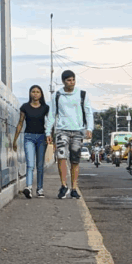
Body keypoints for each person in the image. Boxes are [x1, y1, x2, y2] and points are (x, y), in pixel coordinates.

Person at [45, 70, 94, 199]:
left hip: (78, 130)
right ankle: (63, 185)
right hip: (62, 130)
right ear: (63, 82)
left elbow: (88, 112)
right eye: (68, 80)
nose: (71, 82)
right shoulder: (57, 95)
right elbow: (52, 114)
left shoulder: (82, 94)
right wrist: (48, 131)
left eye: (73, 80)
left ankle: (74, 188)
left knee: (75, 160)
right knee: (61, 157)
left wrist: (89, 128)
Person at [13, 85, 49, 199]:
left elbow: (50, 123)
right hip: (28, 137)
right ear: (30, 93)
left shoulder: (46, 108)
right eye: (33, 92)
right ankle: (28, 187)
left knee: (40, 165)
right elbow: (20, 123)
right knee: (30, 164)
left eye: (38, 92)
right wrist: (15, 140)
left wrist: (51, 136)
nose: (35, 94)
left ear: (41, 94)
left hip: (42, 138)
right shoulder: (25, 107)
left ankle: (40, 189)